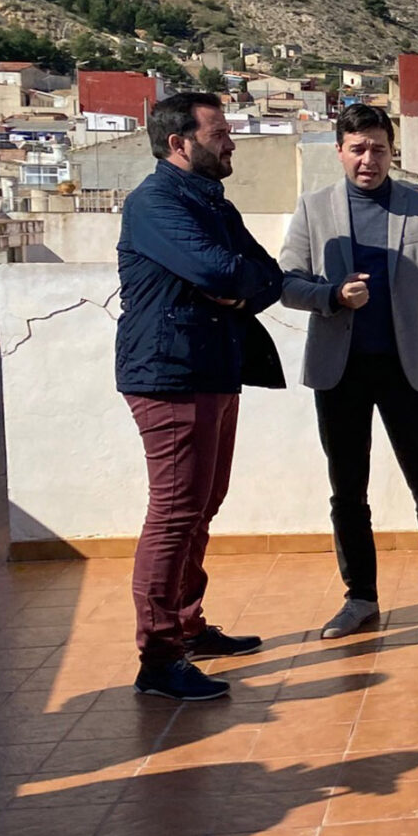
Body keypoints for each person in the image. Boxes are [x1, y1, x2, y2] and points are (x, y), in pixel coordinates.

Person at [279, 104, 418, 638]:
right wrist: (332, 296)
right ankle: (360, 598)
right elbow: (288, 282)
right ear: (340, 151)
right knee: (348, 491)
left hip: (406, 368)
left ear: (393, 152)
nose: (369, 159)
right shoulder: (313, 208)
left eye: (379, 149)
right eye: (358, 148)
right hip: (339, 370)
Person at [116, 92, 285, 702]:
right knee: (174, 513)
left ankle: (186, 628)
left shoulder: (212, 203)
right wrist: (234, 283)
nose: (231, 141)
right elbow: (218, 271)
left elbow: (264, 275)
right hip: (170, 375)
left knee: (202, 505)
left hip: (213, 369)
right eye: (219, 133)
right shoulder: (156, 203)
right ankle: (158, 659)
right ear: (179, 144)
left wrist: (239, 292)